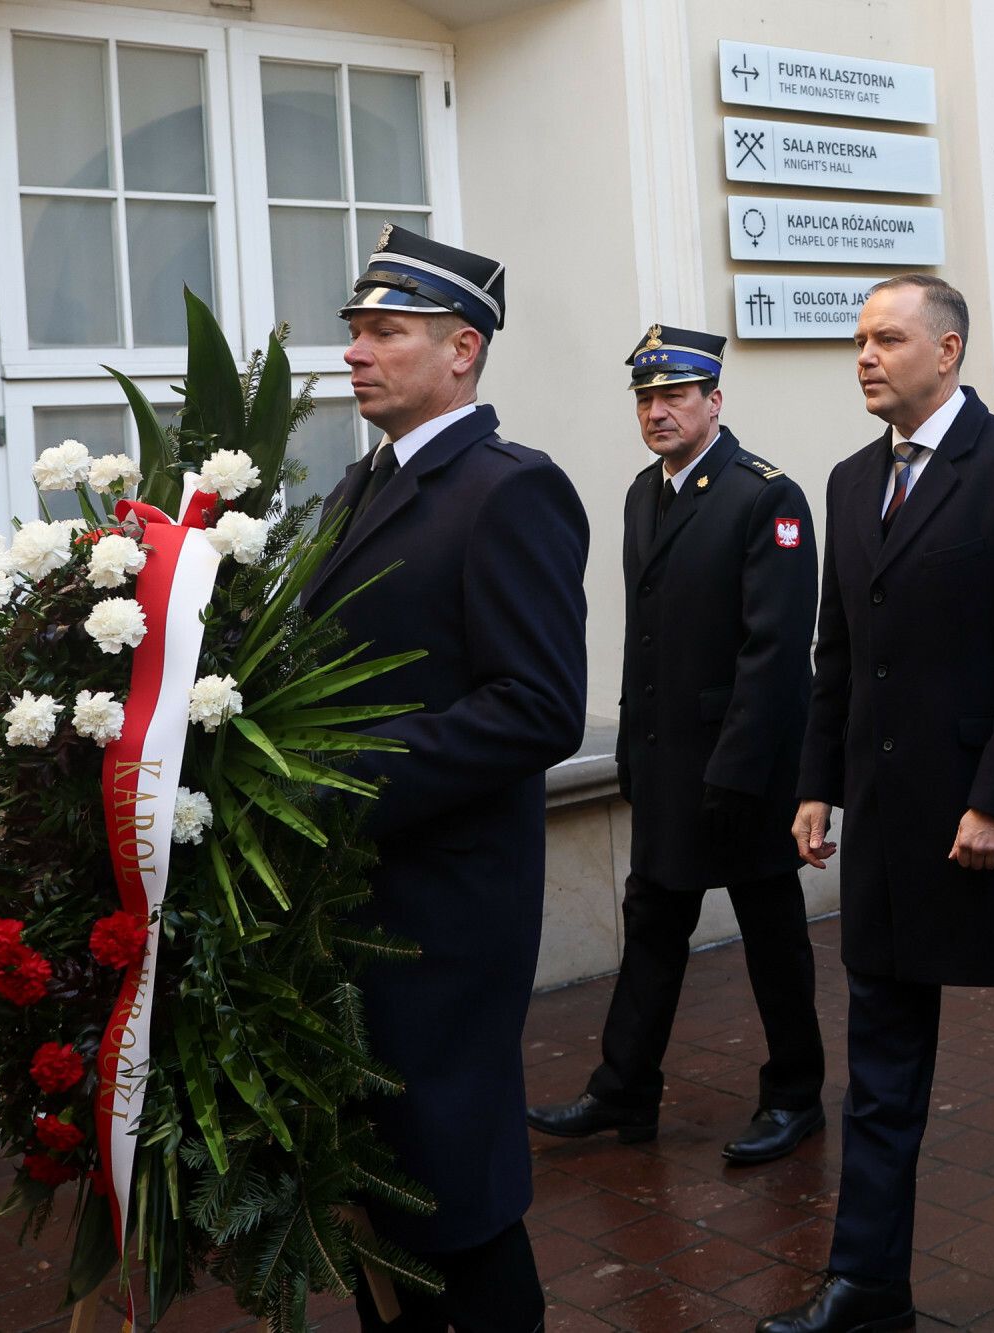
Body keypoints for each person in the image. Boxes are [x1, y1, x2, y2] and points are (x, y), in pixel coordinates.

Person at [761, 275, 994, 1333]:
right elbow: (834, 652)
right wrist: (814, 781)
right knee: (879, 1068)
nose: (865, 355)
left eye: (886, 337)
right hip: (890, 822)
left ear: (949, 348)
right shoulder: (847, 482)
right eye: (856, 340)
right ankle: (865, 1281)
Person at [303, 225, 589, 1332]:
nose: (356, 353)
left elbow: (536, 707)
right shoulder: (358, 488)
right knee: (384, 1182)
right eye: (355, 332)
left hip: (443, 907)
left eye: (385, 332)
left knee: (447, 1183)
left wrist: (340, 776)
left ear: (461, 349)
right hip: (362, 896)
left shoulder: (506, 490)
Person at [525, 325, 827, 1164]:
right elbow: (644, 637)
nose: (657, 411)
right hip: (665, 760)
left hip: (746, 766)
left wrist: (734, 768)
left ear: (714, 401)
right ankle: (626, 1089)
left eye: (675, 396)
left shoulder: (767, 495)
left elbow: (774, 652)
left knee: (772, 935)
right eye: (646, 398)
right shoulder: (642, 493)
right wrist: (630, 742)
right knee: (652, 923)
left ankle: (796, 1094)